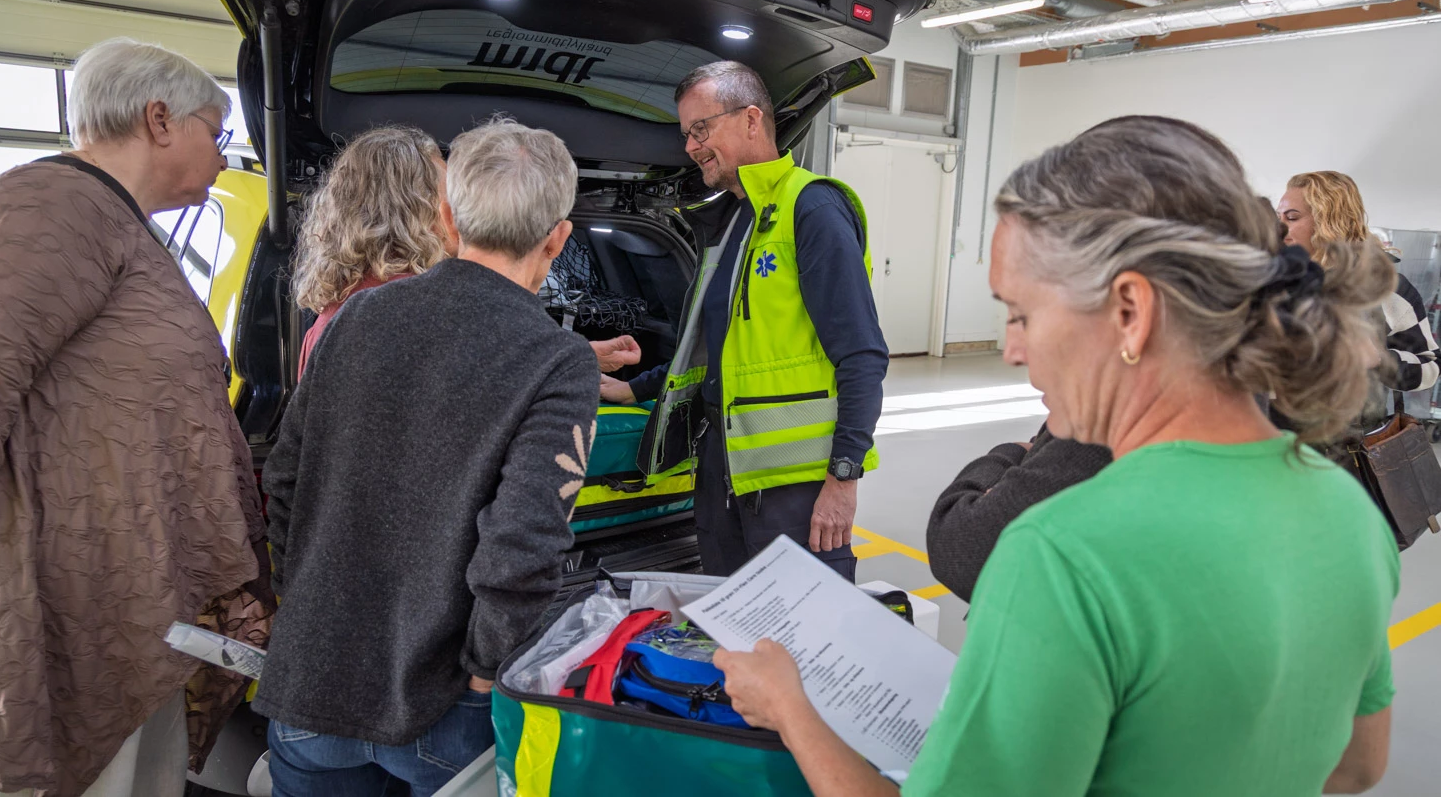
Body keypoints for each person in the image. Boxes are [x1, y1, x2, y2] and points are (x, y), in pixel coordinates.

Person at [714, 116, 1398, 796]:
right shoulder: (1344, 509)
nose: (1013, 350)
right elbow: (1355, 766)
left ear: (1130, 312)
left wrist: (790, 710)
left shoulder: (1061, 554)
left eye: (1023, 314)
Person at [256, 117, 598, 795]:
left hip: (310, 685)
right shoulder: (557, 359)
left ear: (447, 217)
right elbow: (525, 541)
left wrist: (309, 610)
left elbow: (286, 479)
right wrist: (486, 669)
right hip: (443, 704)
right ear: (557, 237)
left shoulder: (355, 317)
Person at [0, 38, 273, 797]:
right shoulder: (53, 204)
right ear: (159, 119)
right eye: (217, 132)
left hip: (131, 592)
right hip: (77, 597)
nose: (224, 156)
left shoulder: (113, 219)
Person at [597, 61, 888, 582]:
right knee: (725, 616)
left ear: (752, 119)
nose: (691, 147)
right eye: (687, 134)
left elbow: (862, 356)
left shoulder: (812, 208)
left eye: (701, 129)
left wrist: (843, 478)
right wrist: (635, 389)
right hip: (723, 474)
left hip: (794, 489)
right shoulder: (733, 220)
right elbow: (718, 354)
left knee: (799, 623)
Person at [926, 321, 1111, 602]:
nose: (1013, 352)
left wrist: (1007, 454)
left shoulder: (1092, 436)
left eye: (1026, 316)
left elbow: (959, 547)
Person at [293, 125, 454, 376]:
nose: (457, 212)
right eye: (449, 196)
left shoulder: (327, 319)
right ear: (413, 209)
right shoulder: (420, 311)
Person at [1280, 171, 1439, 398]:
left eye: (1292, 218)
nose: (1279, 227)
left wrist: (1378, 359)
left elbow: (1429, 367)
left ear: (1328, 221)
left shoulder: (1384, 288)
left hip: (1345, 418)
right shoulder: (1272, 281)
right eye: (1278, 217)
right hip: (1265, 418)